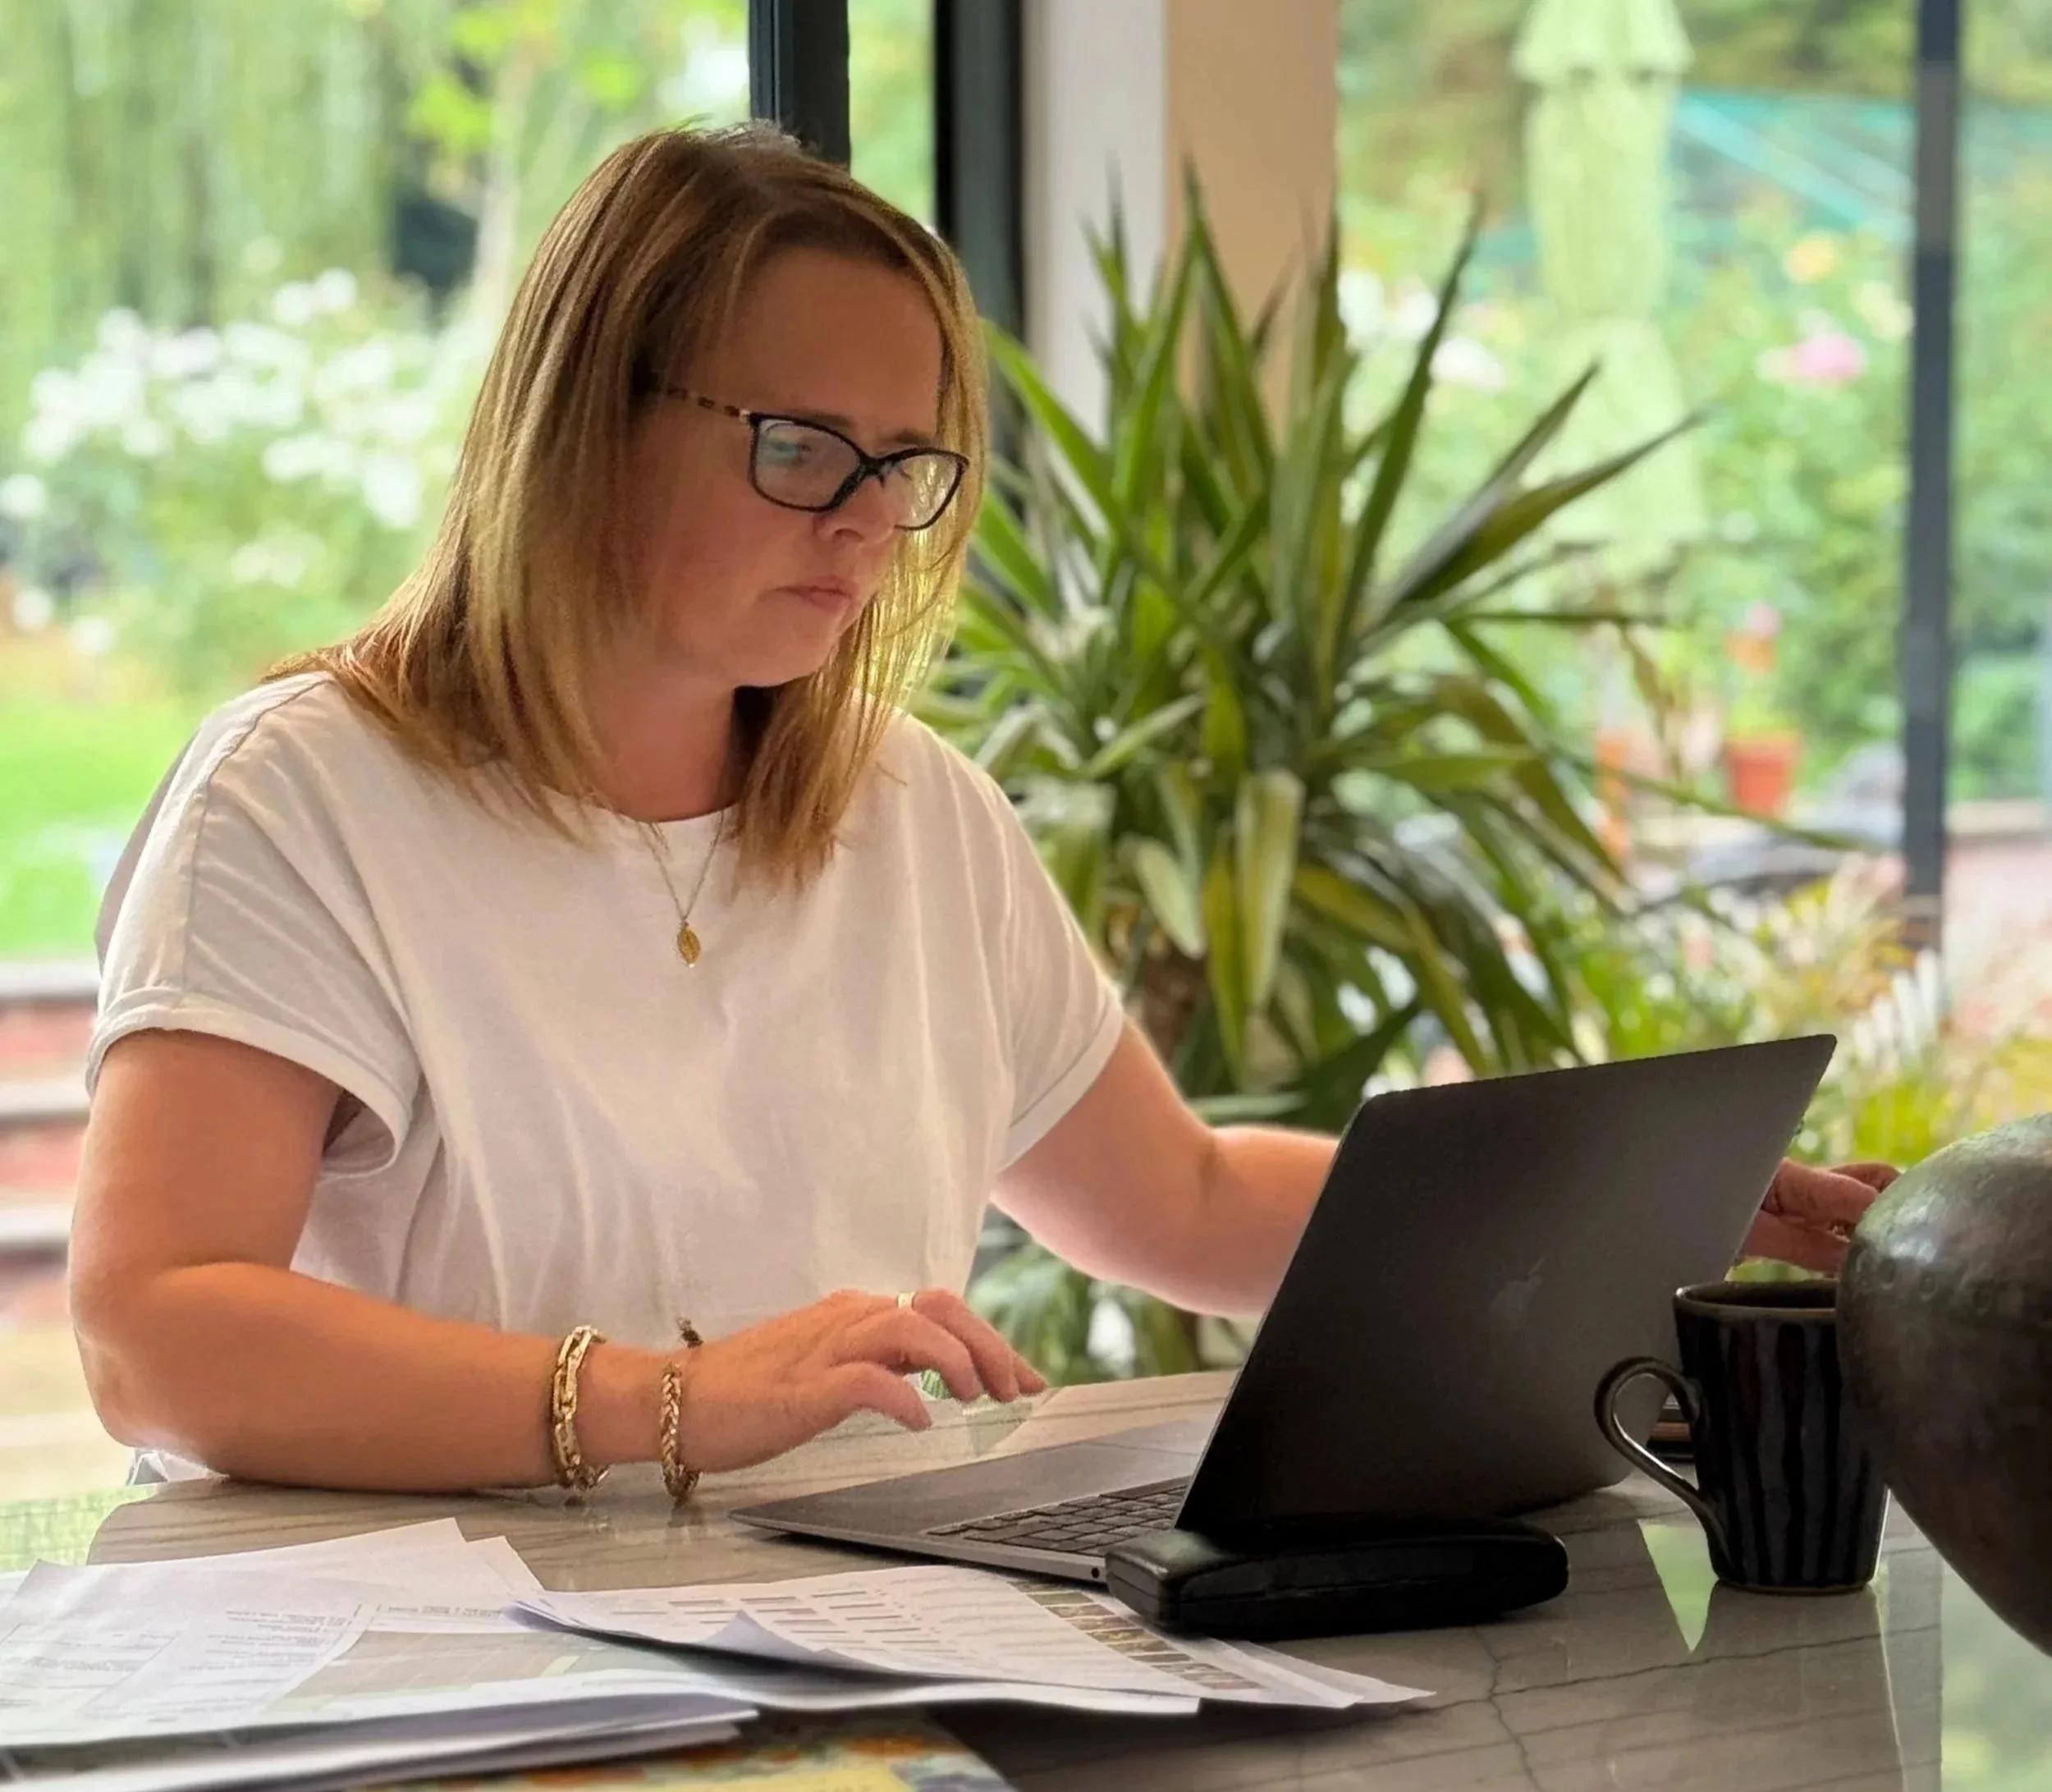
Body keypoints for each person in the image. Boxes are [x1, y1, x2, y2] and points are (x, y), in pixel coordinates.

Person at [68, 126, 1894, 1497]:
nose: (867, 521)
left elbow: (1170, 1196)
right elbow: (158, 1331)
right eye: (800, 449)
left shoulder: (906, 812)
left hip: (844, 1631)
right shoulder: (306, 796)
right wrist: (673, 1397)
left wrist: (1622, 1205)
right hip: (427, 1665)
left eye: (911, 464)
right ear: (580, 418)